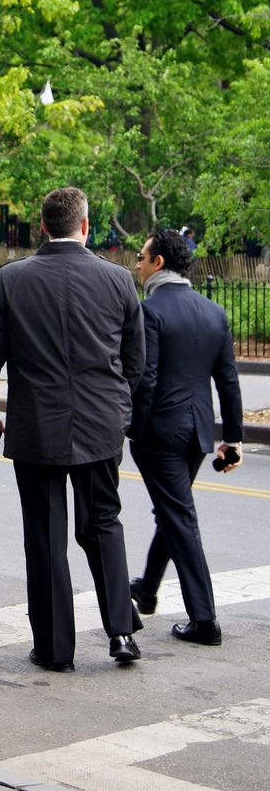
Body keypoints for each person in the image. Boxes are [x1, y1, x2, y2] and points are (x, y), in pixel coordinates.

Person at [0, 187, 145, 672]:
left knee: (46, 537)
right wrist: (116, 410)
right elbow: (135, 364)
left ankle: (54, 649)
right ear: (84, 226)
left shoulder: (13, 279)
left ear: (42, 226)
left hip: (36, 430)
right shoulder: (119, 279)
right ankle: (122, 633)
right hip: (101, 426)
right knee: (104, 523)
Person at [128, 229, 243, 646]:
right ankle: (147, 588)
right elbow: (228, 381)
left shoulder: (151, 310)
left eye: (141, 257)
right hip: (198, 432)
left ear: (158, 262)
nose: (137, 264)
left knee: (179, 517)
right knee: (173, 510)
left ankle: (205, 619)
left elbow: (147, 378)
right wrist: (233, 438)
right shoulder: (214, 312)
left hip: (159, 434)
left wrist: (132, 429)